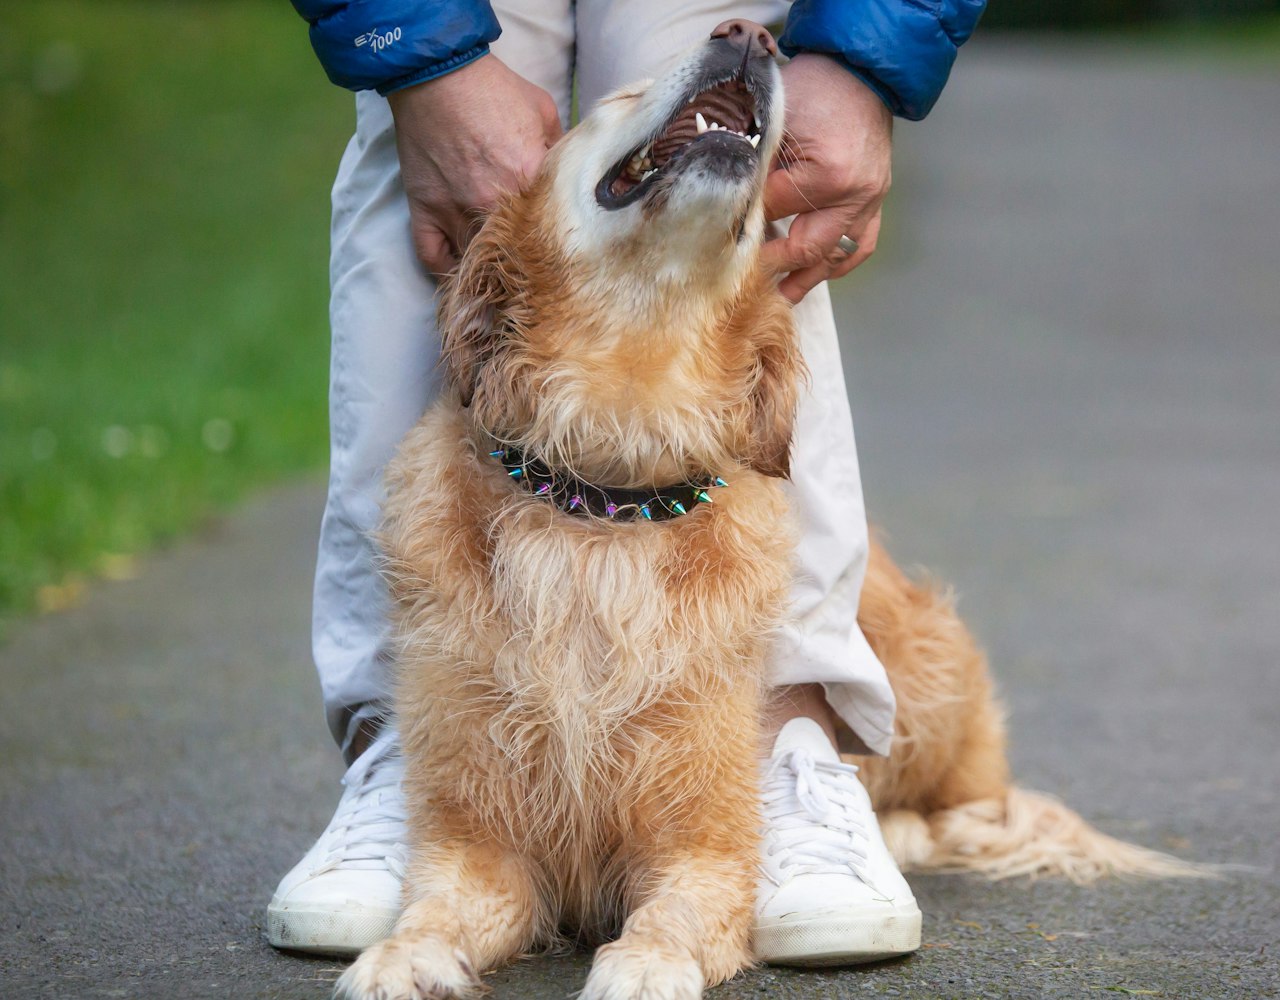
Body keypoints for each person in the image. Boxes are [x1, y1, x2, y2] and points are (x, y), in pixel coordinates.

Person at [270, 0, 985, 965]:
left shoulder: (757, 352)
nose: (751, 53)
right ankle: (402, 752)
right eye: (628, 115)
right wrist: (413, 54)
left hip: (716, 486)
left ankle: (788, 742)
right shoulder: (507, 280)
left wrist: (864, 59)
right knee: (432, 147)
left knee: (765, 131)